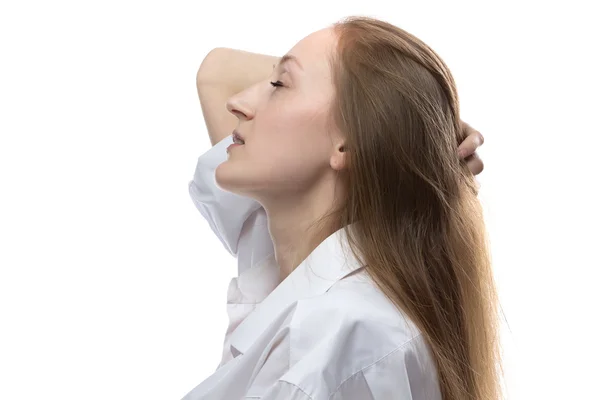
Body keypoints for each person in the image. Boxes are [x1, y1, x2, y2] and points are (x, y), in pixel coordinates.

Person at [184, 15, 500, 400]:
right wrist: (407, 117)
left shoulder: (331, 339)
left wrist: (404, 117)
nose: (239, 102)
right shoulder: (285, 256)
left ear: (346, 145)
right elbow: (216, 72)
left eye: (279, 85)